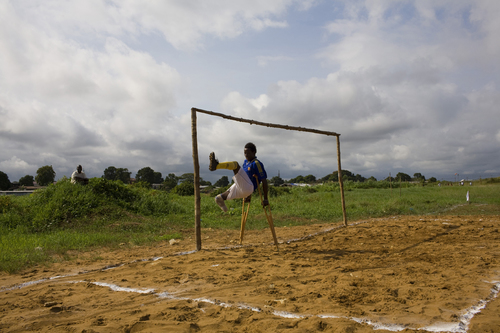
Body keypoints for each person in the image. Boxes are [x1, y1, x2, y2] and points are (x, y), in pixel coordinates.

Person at [209, 142, 268, 212]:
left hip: (248, 188)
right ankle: (220, 200)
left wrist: (265, 199)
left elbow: (264, 181)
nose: (246, 155)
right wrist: (247, 196)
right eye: (244, 153)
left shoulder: (256, 163)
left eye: (248, 153)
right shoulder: (245, 162)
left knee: (235, 165)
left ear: (254, 152)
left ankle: (216, 166)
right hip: (242, 188)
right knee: (220, 197)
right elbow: (243, 178)